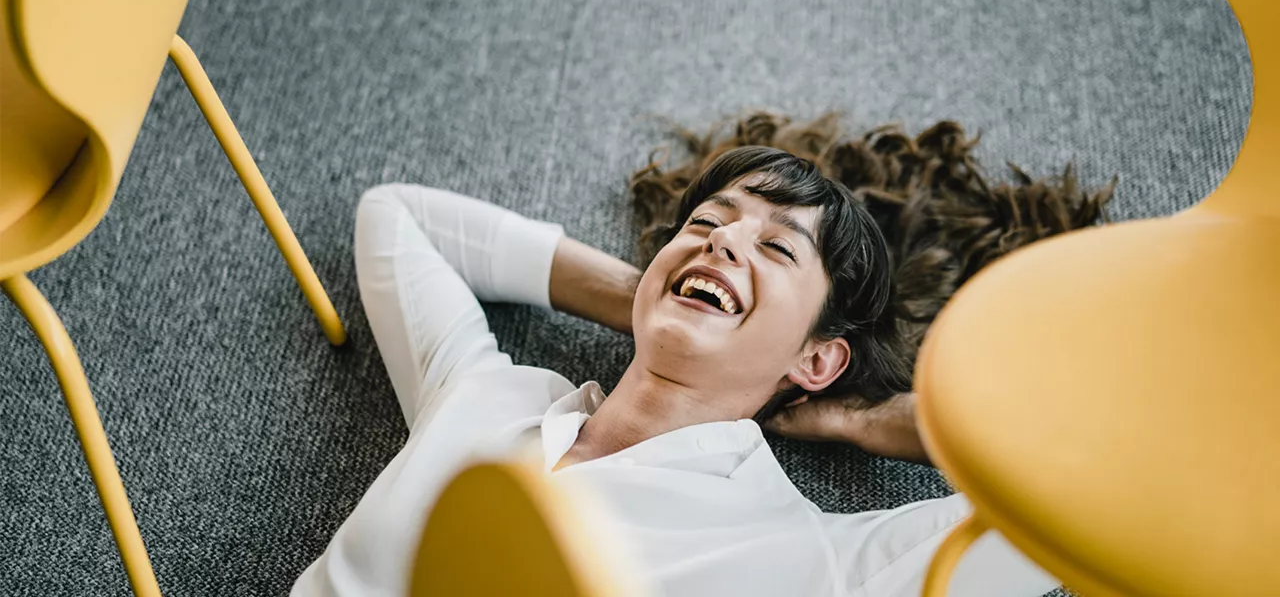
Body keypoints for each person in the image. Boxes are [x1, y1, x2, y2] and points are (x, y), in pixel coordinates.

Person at [291, 147, 1058, 596]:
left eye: (778, 248)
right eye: (707, 223)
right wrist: (654, 294)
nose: (725, 243)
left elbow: (1079, 500)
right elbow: (398, 216)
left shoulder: (818, 563)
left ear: (819, 359)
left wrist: (877, 420)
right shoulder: (487, 392)